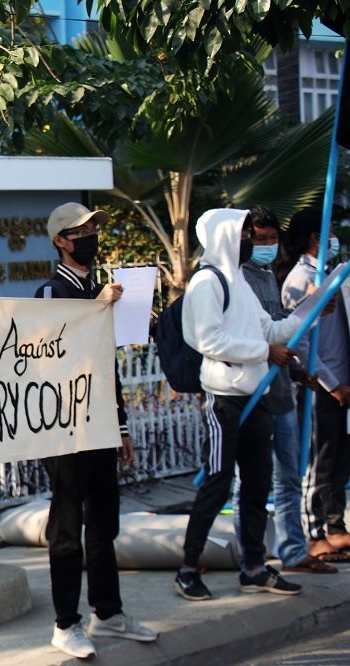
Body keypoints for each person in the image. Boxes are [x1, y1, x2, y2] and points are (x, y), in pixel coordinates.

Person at [34, 202, 158, 659]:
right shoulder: (51, 292)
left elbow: (107, 366)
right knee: (67, 527)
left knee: (104, 522)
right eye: (79, 230)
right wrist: (96, 308)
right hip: (66, 430)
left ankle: (107, 612)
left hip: (101, 426)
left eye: (92, 228)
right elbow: (55, 353)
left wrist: (121, 426)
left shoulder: (100, 290)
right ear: (60, 242)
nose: (90, 235)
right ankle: (65, 623)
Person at [174, 208, 304, 602]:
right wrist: (264, 352)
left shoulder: (241, 283)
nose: (250, 239)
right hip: (224, 400)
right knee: (217, 483)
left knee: (257, 485)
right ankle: (187, 569)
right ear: (226, 235)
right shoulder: (206, 282)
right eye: (245, 232)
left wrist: (307, 312)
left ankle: (254, 567)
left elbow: (271, 329)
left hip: (256, 396)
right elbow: (206, 340)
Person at [231, 205, 337, 573]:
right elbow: (238, 337)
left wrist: (295, 370)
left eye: (273, 239)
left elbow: (279, 329)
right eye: (260, 239)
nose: (268, 245)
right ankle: (251, 558)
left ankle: (294, 550)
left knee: (289, 477)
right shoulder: (234, 280)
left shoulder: (268, 276)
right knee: (250, 483)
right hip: (250, 395)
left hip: (279, 393)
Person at [280, 209, 350, 563]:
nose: (335, 235)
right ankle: (315, 532)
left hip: (341, 381)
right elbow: (301, 340)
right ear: (315, 238)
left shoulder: (333, 274)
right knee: (319, 460)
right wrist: (332, 382)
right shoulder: (300, 279)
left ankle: (336, 527)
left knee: (339, 459)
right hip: (323, 384)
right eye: (331, 230)